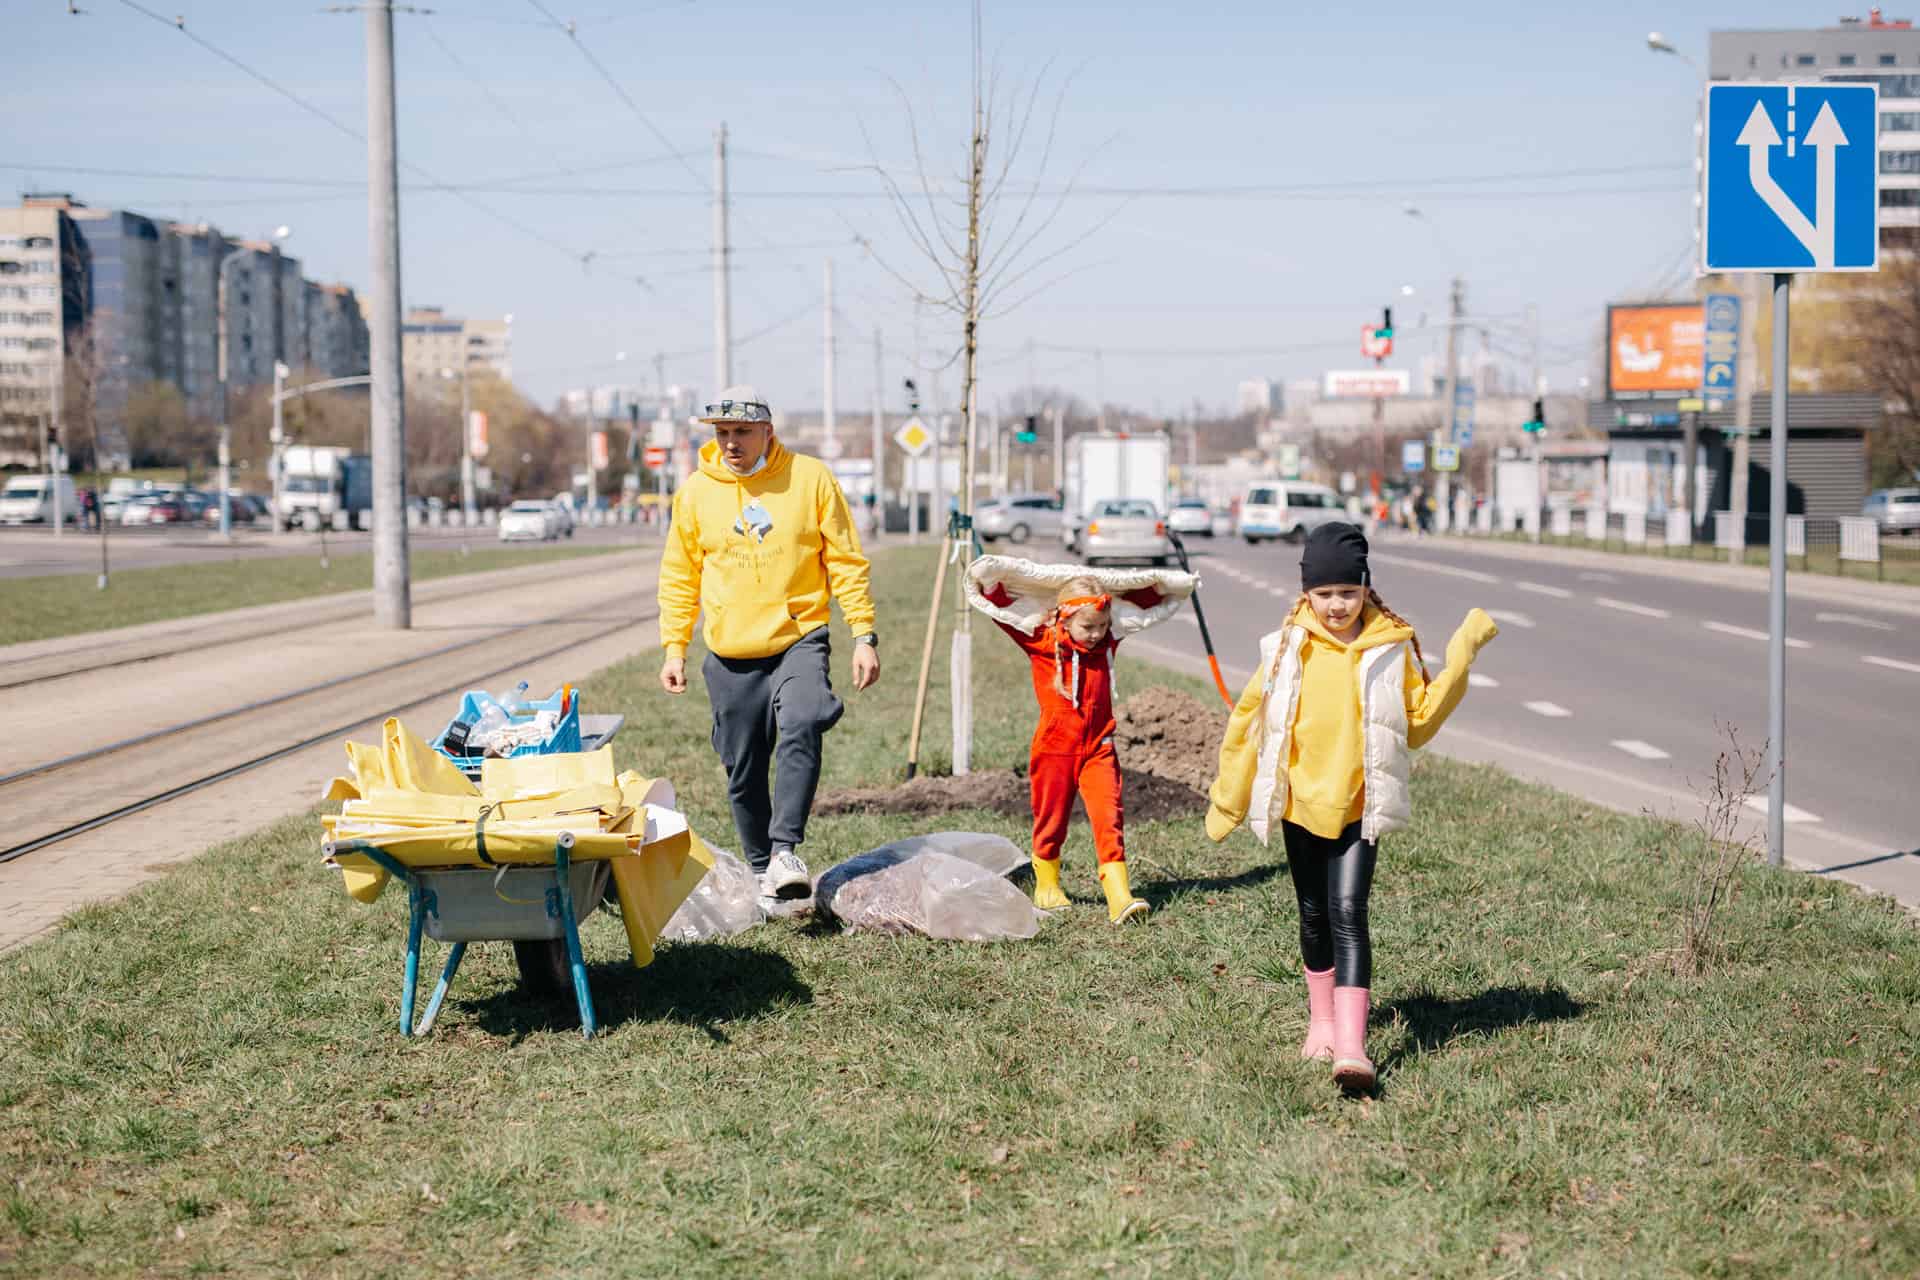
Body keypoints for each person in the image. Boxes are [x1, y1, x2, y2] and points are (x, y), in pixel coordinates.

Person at [1204, 523, 1497, 1090]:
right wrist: (1229, 799)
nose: (1336, 605)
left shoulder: (1391, 649)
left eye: (1347, 592)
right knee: (1312, 914)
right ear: (1306, 592)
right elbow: (1246, 721)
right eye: (1324, 593)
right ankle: (1321, 1022)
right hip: (1298, 803)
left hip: (1360, 806)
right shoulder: (1286, 647)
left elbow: (1418, 724)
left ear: (1366, 587)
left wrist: (1462, 653)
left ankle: (1353, 1048)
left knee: (1348, 913)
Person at [657, 385, 879, 904]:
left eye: (742, 432)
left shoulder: (810, 479)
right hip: (730, 651)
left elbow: (845, 561)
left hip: (799, 637)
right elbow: (679, 577)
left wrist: (863, 634)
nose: (731, 443)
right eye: (722, 433)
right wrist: (674, 648)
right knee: (742, 764)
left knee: (804, 718)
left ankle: (785, 851)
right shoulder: (695, 492)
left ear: (767, 432)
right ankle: (763, 870)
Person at [969, 567, 1188, 924]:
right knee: (1051, 819)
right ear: (1065, 618)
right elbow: (1003, 613)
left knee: (1109, 816)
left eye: (1102, 626)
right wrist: (991, 580)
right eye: (1088, 627)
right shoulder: (1040, 641)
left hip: (1099, 747)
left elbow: (1146, 605)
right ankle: (1047, 884)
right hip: (1054, 749)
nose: (1096, 634)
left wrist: (1152, 583)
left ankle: (1119, 896)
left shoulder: (1108, 643)